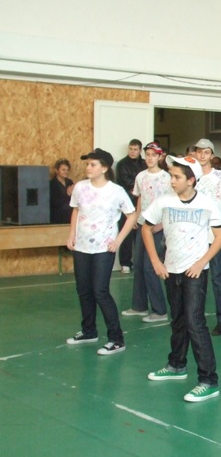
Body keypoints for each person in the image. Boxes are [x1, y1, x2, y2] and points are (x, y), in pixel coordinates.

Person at [142, 155, 221, 402]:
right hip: (171, 269)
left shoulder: (208, 203)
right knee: (177, 319)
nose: (172, 181)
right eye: (171, 176)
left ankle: (208, 380)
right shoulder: (164, 201)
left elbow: (220, 237)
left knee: (194, 321)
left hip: (195, 272)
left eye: (177, 177)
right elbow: (146, 228)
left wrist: (201, 262)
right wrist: (156, 261)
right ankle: (176, 364)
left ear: (191, 180)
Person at [65, 148, 138, 355]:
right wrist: (71, 234)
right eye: (87, 164)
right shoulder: (80, 187)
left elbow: (132, 216)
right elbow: (76, 210)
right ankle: (89, 331)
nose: (88, 167)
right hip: (81, 246)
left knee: (100, 291)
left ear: (104, 168)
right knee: (83, 290)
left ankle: (116, 338)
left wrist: (118, 240)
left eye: (93, 164)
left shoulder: (116, 191)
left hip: (103, 248)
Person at [121, 142, 172, 323]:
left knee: (150, 267)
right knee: (139, 265)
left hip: (157, 227)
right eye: (148, 154)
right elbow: (140, 197)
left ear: (160, 157)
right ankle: (139, 306)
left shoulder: (167, 178)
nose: (150, 158)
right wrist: (136, 217)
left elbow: (171, 202)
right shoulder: (141, 176)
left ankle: (159, 310)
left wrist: (162, 224)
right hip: (143, 225)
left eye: (153, 155)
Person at [195, 139, 221, 336]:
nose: (202, 155)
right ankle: (195, 317)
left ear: (211, 155)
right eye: (199, 152)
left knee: (218, 277)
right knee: (196, 278)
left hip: (213, 236)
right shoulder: (190, 175)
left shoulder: (219, 176)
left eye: (206, 152)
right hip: (194, 236)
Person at [115, 139, 146, 273]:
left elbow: (147, 181)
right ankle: (125, 263)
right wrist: (139, 188)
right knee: (126, 233)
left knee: (141, 233)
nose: (132, 152)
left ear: (140, 150)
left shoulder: (144, 163)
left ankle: (140, 262)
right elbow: (125, 182)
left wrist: (141, 190)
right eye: (131, 149)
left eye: (135, 149)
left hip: (143, 202)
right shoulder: (122, 164)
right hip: (127, 202)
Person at [49, 158, 74, 224]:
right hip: (57, 217)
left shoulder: (69, 182)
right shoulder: (52, 184)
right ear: (56, 170)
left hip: (70, 215)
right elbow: (54, 202)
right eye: (63, 170)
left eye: (67, 170)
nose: (66, 172)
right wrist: (67, 194)